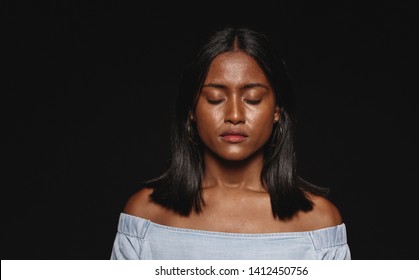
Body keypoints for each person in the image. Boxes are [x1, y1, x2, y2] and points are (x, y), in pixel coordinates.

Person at [110, 25, 351, 260]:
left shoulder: (319, 223)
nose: (234, 115)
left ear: (277, 109)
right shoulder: (146, 217)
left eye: (253, 99)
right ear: (192, 109)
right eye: (215, 99)